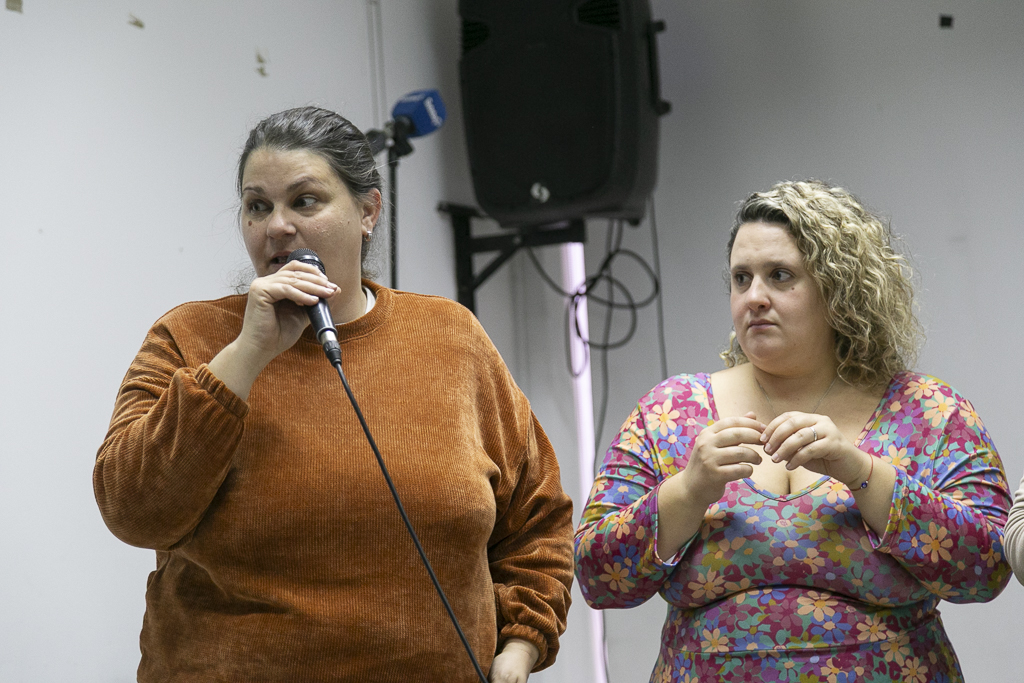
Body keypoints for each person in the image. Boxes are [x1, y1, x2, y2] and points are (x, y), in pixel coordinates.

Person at [93, 106, 573, 683]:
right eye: (257, 206)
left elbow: (537, 521)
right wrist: (246, 354)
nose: (277, 226)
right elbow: (132, 510)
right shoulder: (189, 337)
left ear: (368, 212)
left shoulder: (452, 338)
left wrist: (520, 645)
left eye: (305, 201)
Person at [574, 180, 1012, 681]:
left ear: (839, 288)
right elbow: (595, 577)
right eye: (741, 279)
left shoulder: (927, 411)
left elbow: (987, 569)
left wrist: (863, 472)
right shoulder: (670, 411)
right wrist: (689, 491)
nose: (754, 297)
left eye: (780, 276)